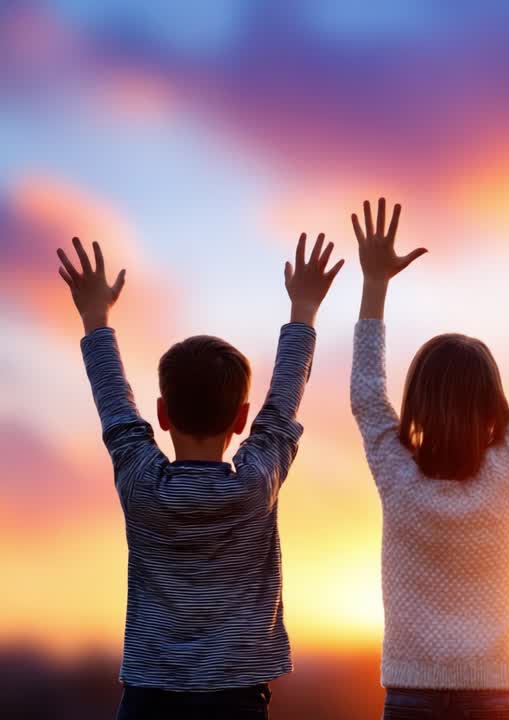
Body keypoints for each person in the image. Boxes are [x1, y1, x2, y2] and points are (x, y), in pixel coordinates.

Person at [59, 233, 342, 720]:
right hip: (236, 702)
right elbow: (285, 397)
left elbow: (112, 397)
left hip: (147, 700)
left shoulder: (140, 480)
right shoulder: (256, 484)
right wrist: (303, 308)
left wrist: (94, 316)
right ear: (241, 419)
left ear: (162, 414)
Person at [349, 200, 509, 720]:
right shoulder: (504, 478)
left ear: (417, 403)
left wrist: (374, 283)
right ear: (491, 405)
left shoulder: (398, 479)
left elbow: (366, 395)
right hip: (493, 696)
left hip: (409, 694)